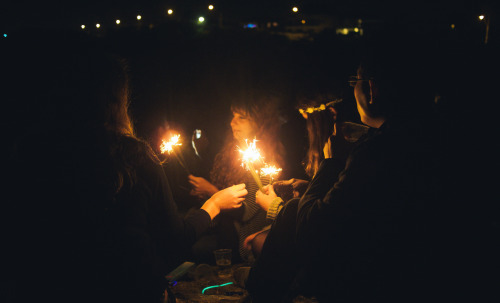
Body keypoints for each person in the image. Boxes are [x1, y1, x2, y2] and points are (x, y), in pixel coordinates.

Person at [4, 34, 247, 303]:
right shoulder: (133, 156)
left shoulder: (28, 152)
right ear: (116, 100)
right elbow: (175, 241)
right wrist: (214, 203)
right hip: (129, 291)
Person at [292, 40, 441, 302]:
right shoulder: (434, 138)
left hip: (373, 285)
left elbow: (311, 229)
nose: (353, 90)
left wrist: (331, 163)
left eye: (356, 81)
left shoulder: (378, 150)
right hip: (426, 280)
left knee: (291, 212)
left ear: (371, 88)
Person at [188, 92, 287, 264]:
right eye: (233, 116)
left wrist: (213, 193)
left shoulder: (265, 159)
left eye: (242, 117)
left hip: (244, 240)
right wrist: (205, 196)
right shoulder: (231, 154)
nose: (232, 122)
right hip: (222, 231)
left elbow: (246, 212)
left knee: (195, 249)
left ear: (259, 122)